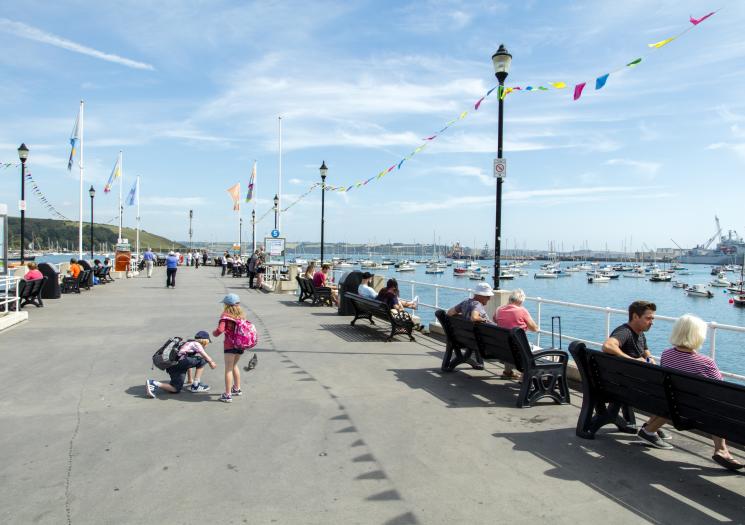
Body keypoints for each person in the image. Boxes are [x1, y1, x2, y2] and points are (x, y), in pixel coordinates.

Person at [637, 314, 743, 470]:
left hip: (675, 404)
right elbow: (721, 391)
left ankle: (650, 429)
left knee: (679, 398)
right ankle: (721, 449)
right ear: (698, 335)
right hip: (694, 410)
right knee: (717, 407)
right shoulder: (706, 362)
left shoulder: (667, 354)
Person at [601, 300, 658, 433]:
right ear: (635, 317)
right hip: (624, 386)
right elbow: (607, 345)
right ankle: (650, 428)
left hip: (624, 382)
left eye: (652, 318)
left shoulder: (640, 333)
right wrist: (632, 360)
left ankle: (650, 426)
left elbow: (645, 351)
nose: (651, 322)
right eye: (648, 318)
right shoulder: (624, 332)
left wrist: (650, 359)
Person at [146, 331, 217, 397]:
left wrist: (190, 380)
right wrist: (211, 362)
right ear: (205, 341)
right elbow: (205, 355)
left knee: (175, 389)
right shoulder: (196, 344)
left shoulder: (188, 343)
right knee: (203, 360)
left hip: (172, 365)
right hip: (180, 362)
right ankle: (196, 385)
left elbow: (188, 364)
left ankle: (154, 383)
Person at [212, 294, 256, 403]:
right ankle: (236, 388)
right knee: (234, 366)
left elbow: (220, 330)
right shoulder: (242, 315)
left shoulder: (225, 315)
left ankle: (227, 395)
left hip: (230, 345)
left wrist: (214, 333)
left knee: (228, 369)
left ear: (227, 305)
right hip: (240, 345)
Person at [493, 288, 538, 379]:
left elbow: (495, 319)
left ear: (510, 299)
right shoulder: (522, 310)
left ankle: (507, 372)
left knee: (510, 344)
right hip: (518, 349)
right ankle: (525, 377)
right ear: (521, 301)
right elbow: (534, 328)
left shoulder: (499, 309)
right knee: (552, 355)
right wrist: (524, 325)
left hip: (503, 347)